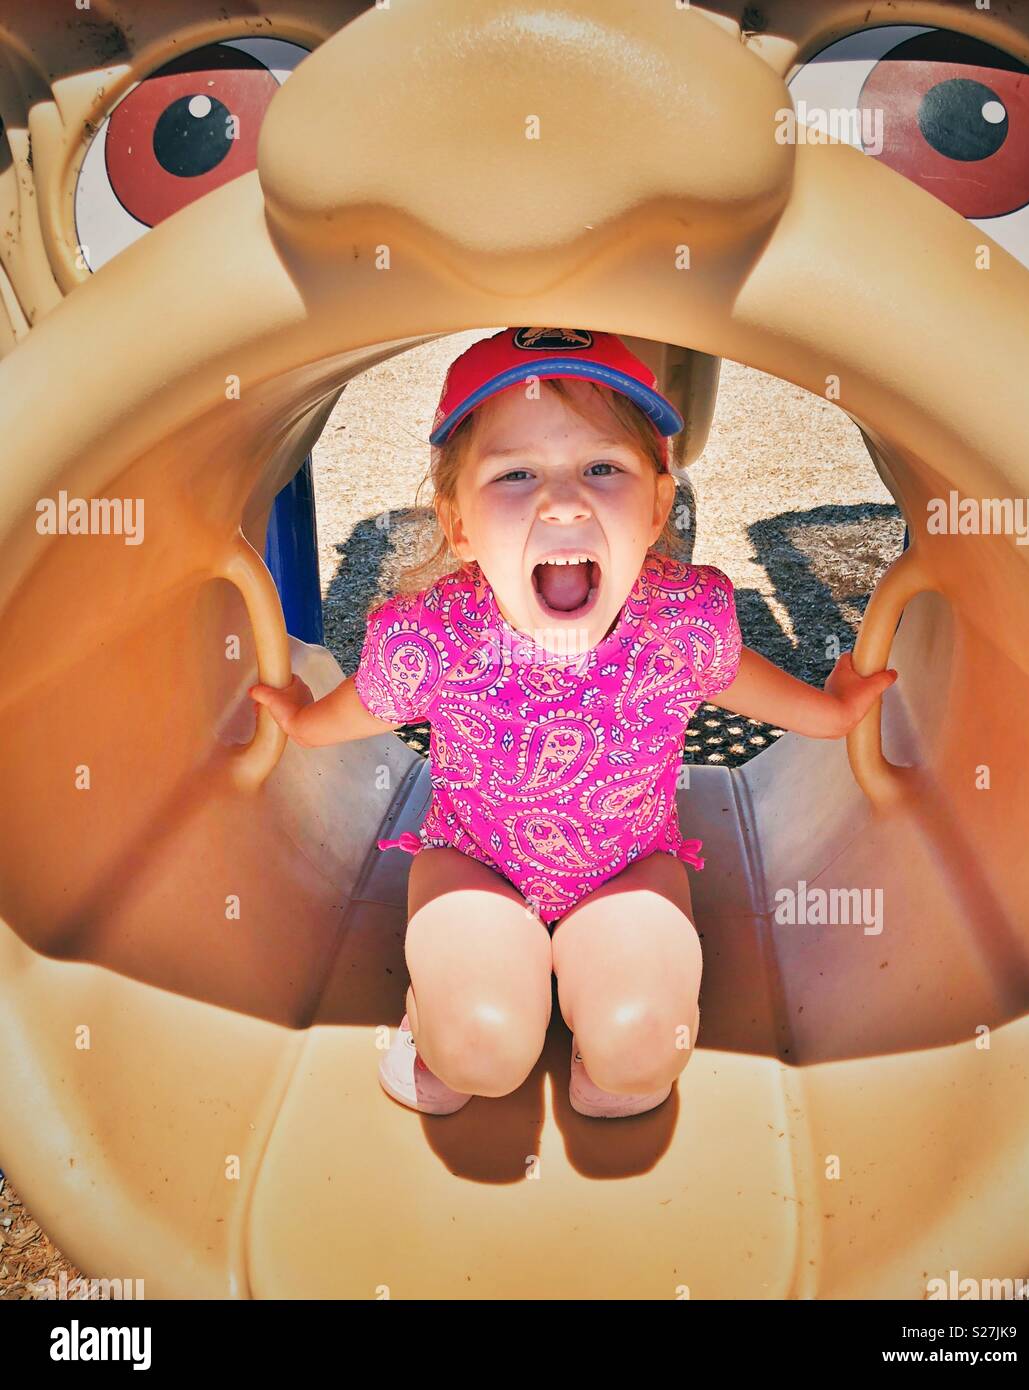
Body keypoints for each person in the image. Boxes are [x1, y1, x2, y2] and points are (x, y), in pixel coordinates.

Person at [250, 327, 896, 1119]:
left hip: (629, 867)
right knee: (475, 1054)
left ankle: (598, 1013)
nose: (562, 501)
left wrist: (834, 710)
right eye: (515, 473)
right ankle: (442, 1012)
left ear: (658, 506)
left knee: (637, 1055)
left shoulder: (678, 620)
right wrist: (299, 718)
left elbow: (740, 680)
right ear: (457, 524)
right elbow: (356, 711)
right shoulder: (433, 636)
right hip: (472, 864)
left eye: (603, 467)